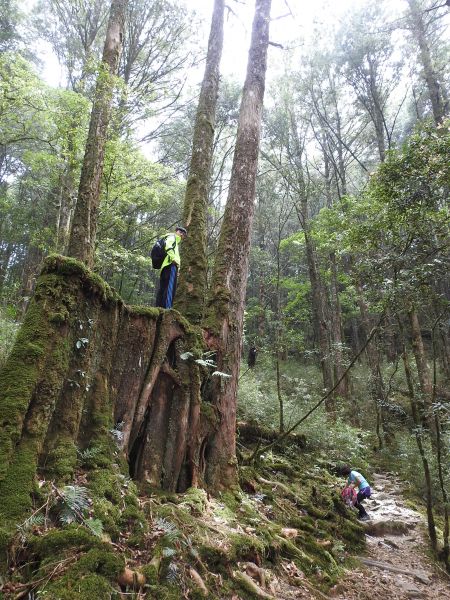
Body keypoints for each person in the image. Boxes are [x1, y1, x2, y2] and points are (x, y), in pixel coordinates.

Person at [155, 226, 187, 309]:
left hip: (166, 266)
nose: (182, 235)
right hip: (171, 265)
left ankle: (159, 308)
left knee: (163, 288)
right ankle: (167, 310)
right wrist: (174, 260)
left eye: (183, 234)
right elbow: (168, 246)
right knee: (169, 289)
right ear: (177, 232)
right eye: (181, 233)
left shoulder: (172, 239)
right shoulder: (172, 237)